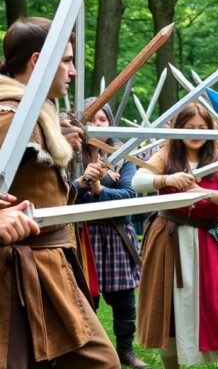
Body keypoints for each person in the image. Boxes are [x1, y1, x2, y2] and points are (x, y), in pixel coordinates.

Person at [0, 17, 119, 367]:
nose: (73, 72)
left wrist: (62, 143)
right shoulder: (9, 118)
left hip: (49, 266)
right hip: (13, 274)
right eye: (67, 60)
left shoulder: (35, 117)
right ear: (38, 61)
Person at [133, 103, 218, 369]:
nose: (197, 133)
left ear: (211, 131)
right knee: (168, 311)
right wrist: (166, 181)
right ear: (179, 129)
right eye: (190, 128)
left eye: (203, 128)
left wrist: (205, 193)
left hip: (211, 243)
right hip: (169, 241)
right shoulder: (166, 156)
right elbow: (138, 181)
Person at [74, 98, 146, 368]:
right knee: (84, 298)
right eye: (91, 119)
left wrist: (100, 190)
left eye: (102, 119)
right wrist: (83, 181)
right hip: (83, 234)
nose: (97, 125)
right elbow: (65, 194)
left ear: (110, 122)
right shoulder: (70, 154)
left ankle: (126, 351)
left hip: (116, 233)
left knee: (124, 298)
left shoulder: (122, 155)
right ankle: (87, 350)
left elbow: (129, 194)